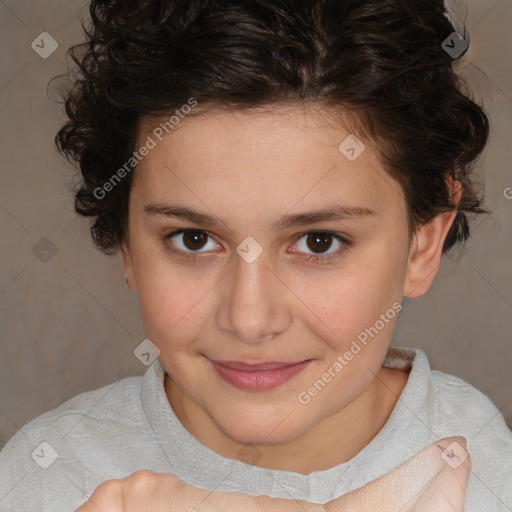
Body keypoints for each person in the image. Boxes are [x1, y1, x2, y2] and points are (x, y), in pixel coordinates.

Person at [1, 0, 511, 510]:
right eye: (193, 239)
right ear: (128, 246)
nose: (249, 320)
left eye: (319, 242)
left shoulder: (496, 476)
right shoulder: (41, 477)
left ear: (421, 246)